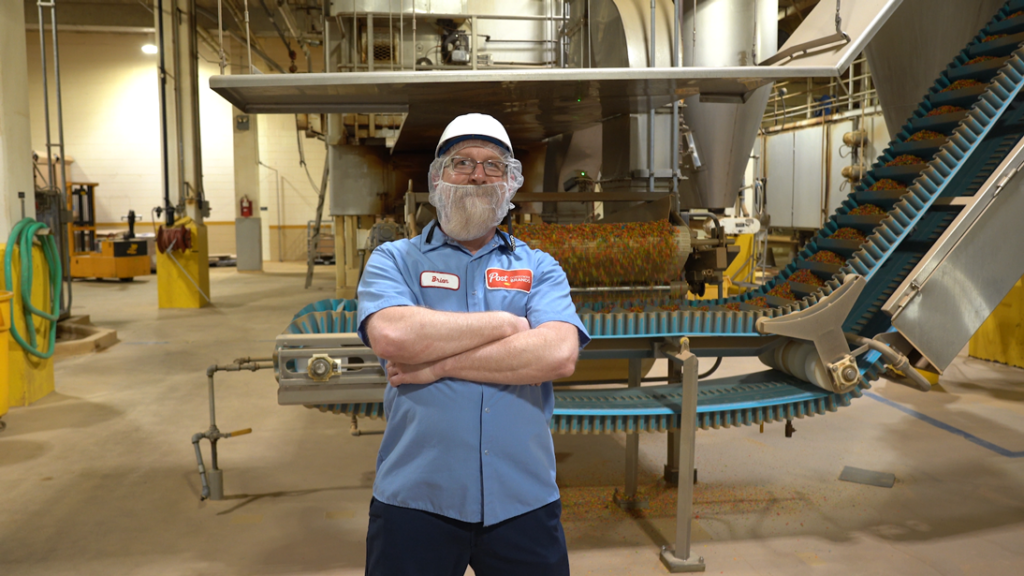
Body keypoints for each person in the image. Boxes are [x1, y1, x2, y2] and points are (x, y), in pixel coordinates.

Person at [356, 113, 591, 576]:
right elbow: (392, 335)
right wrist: (507, 324)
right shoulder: (394, 260)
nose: (478, 174)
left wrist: (437, 365)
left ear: (510, 182)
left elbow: (559, 354)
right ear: (437, 178)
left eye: (494, 165)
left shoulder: (539, 267)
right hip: (416, 497)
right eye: (462, 162)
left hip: (522, 499)